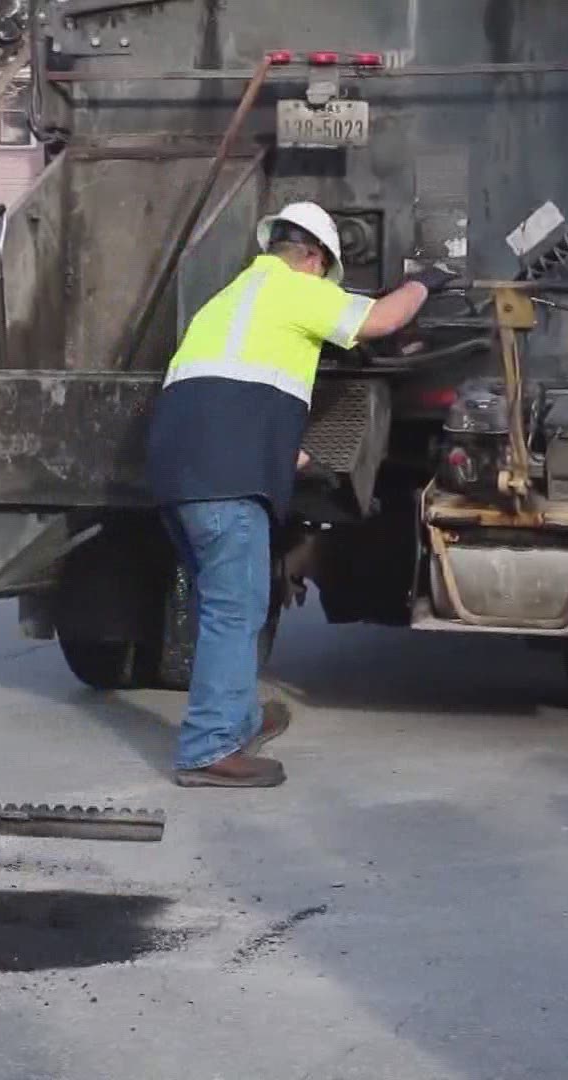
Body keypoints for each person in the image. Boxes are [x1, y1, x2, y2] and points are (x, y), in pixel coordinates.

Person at [144, 201, 446, 788]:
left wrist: (298, 459)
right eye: (326, 273)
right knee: (237, 610)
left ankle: (238, 719)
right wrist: (424, 283)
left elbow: (233, 399)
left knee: (224, 607)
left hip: (179, 476)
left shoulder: (231, 301)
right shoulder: (290, 289)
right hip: (224, 486)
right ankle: (209, 749)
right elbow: (381, 320)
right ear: (312, 257)